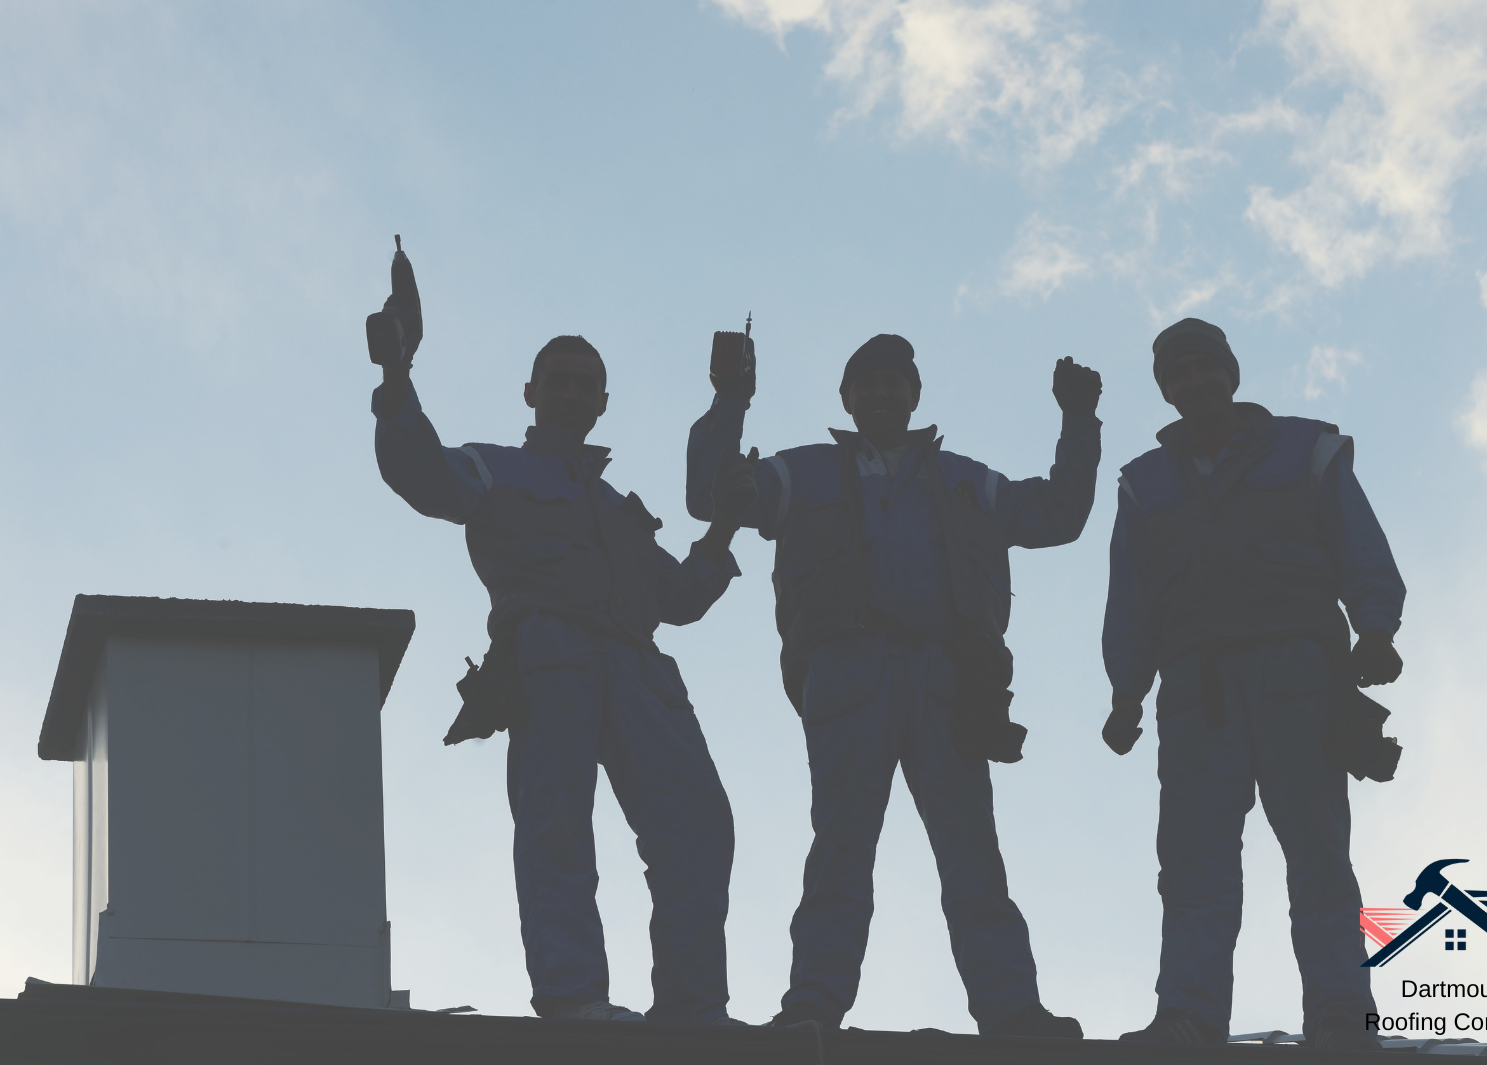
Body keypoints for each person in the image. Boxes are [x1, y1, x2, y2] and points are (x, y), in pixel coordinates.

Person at [686, 331, 1102, 1037]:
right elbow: (710, 496)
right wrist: (730, 398)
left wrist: (1078, 422)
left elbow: (1059, 515)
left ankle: (1013, 1014)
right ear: (846, 400)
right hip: (847, 670)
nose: (881, 394)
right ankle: (813, 1006)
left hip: (947, 678)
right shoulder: (801, 472)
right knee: (841, 846)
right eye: (867, 384)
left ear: (914, 396)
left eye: (893, 383)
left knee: (972, 854)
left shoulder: (967, 480)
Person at [371, 307, 759, 1024]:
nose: (574, 395)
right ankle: (575, 997)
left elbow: (676, 599)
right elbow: (422, 476)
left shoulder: (619, 508)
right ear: (532, 393)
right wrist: (398, 380)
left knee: (699, 822)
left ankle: (693, 1006)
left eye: (588, 385)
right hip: (553, 658)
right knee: (557, 826)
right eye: (560, 383)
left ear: (604, 402)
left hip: (640, 670)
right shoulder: (495, 466)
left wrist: (726, 525)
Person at [1100, 318, 1405, 1049]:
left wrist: (1377, 629)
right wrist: (1125, 692)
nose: (1196, 381)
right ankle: (1188, 1016)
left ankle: (1342, 1012)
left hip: (1299, 669)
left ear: (1231, 374)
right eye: (1180, 374)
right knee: (1193, 865)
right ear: (1167, 390)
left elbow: (1359, 540)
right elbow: (1130, 597)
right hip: (1195, 687)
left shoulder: (1308, 448)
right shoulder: (1143, 482)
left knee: (1318, 853)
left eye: (1207, 368)